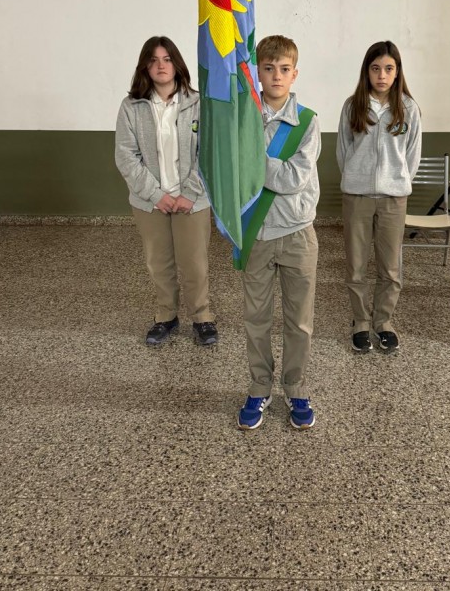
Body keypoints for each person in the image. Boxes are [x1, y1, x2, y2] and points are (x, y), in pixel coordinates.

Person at [237, 35, 321, 431]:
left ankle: (296, 387)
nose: (275, 76)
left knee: (298, 319)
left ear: (294, 73)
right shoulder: (243, 121)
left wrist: (253, 161)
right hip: (257, 233)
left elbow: (291, 179)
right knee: (256, 318)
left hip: (297, 233)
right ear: (258, 71)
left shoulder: (307, 121)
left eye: (283, 69)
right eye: (267, 68)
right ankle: (258, 387)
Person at [115, 36, 218, 348]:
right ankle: (166, 316)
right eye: (154, 59)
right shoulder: (131, 106)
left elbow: (209, 152)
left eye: (167, 59)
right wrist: (157, 194)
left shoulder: (199, 103)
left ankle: (202, 317)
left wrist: (189, 193)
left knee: (194, 263)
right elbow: (125, 156)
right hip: (151, 202)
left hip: (192, 199)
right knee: (159, 262)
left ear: (177, 64)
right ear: (145, 66)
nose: (161, 65)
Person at [336, 40, 421, 354]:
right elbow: (343, 151)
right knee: (356, 264)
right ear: (367, 71)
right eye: (375, 68)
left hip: (392, 199)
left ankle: (383, 321)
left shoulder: (408, 108)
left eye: (388, 68)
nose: (382, 75)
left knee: (390, 266)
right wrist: (355, 179)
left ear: (397, 72)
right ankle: (360, 321)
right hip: (357, 197)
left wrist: (395, 183)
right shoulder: (353, 105)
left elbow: (412, 155)